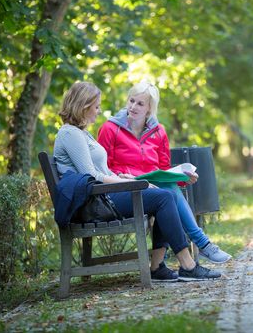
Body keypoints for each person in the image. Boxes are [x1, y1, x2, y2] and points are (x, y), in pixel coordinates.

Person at [53, 81, 221, 281]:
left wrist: (125, 178)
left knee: (163, 195)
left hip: (102, 197)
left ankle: (160, 267)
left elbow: (101, 171)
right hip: (95, 203)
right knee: (163, 198)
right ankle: (188, 265)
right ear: (83, 106)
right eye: (96, 106)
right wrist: (135, 184)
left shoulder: (80, 133)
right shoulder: (70, 133)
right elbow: (92, 176)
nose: (99, 111)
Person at [97, 81, 231, 264]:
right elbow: (101, 168)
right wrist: (122, 176)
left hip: (152, 187)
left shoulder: (159, 132)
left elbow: (164, 169)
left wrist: (183, 178)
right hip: (122, 188)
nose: (133, 107)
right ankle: (202, 243)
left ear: (150, 109)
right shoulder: (110, 129)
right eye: (131, 101)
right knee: (165, 194)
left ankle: (160, 265)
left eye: (140, 103)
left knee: (166, 191)